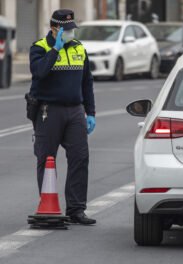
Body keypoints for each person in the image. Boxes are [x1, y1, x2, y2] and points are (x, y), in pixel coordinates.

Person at [28, 9, 96, 225]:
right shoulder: (40, 48)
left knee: (80, 157)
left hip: (75, 111)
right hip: (49, 110)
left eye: (72, 29)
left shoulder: (79, 48)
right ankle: (49, 205)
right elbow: (40, 72)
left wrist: (91, 112)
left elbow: (87, 82)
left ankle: (76, 209)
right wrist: (55, 49)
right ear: (54, 28)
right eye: (65, 30)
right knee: (46, 158)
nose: (70, 33)